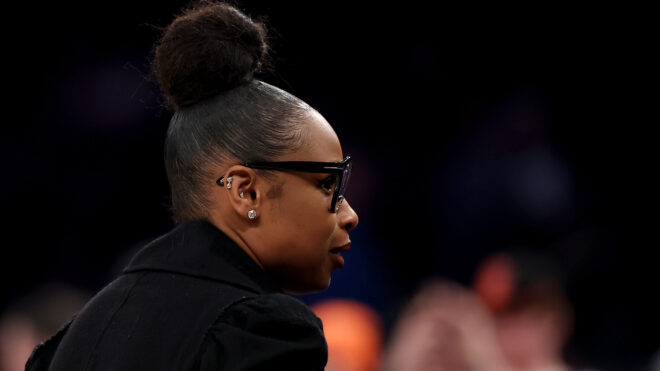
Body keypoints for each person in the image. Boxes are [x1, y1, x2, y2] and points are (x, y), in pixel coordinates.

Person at [25, 1, 359, 369]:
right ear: (245, 191)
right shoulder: (262, 331)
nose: (350, 215)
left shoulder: (70, 340)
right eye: (329, 185)